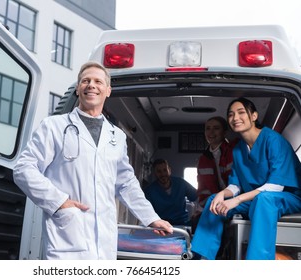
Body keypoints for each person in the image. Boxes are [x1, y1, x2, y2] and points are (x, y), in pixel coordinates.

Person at [13, 61, 172, 260]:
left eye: (98, 81)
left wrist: (151, 218)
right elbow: (23, 169)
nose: (91, 85)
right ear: (78, 89)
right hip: (67, 237)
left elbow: (126, 184)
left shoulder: (117, 136)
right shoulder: (53, 126)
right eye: (85, 81)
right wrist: (60, 202)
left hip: (104, 241)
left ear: (108, 91)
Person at [191, 97, 301, 260]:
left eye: (241, 112)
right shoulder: (238, 149)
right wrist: (222, 194)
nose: (235, 118)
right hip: (256, 198)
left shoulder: (273, 140)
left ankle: (257, 264)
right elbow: (235, 185)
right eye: (231, 115)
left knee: (264, 200)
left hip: (287, 197)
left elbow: (276, 186)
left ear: (254, 116)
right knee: (214, 200)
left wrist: (236, 200)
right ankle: (202, 257)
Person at [192, 117, 238, 233]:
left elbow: (239, 182)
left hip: (234, 199)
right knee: (196, 220)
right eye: (208, 129)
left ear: (224, 132)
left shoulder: (234, 151)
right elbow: (203, 190)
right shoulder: (203, 159)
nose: (211, 132)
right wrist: (203, 208)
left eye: (216, 128)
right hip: (214, 204)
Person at [144, 159, 198, 226]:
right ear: (154, 173)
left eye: (165, 170)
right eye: (159, 171)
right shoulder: (149, 191)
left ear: (169, 170)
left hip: (182, 224)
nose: (163, 174)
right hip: (161, 226)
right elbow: (147, 212)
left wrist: (198, 212)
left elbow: (196, 196)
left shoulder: (181, 183)